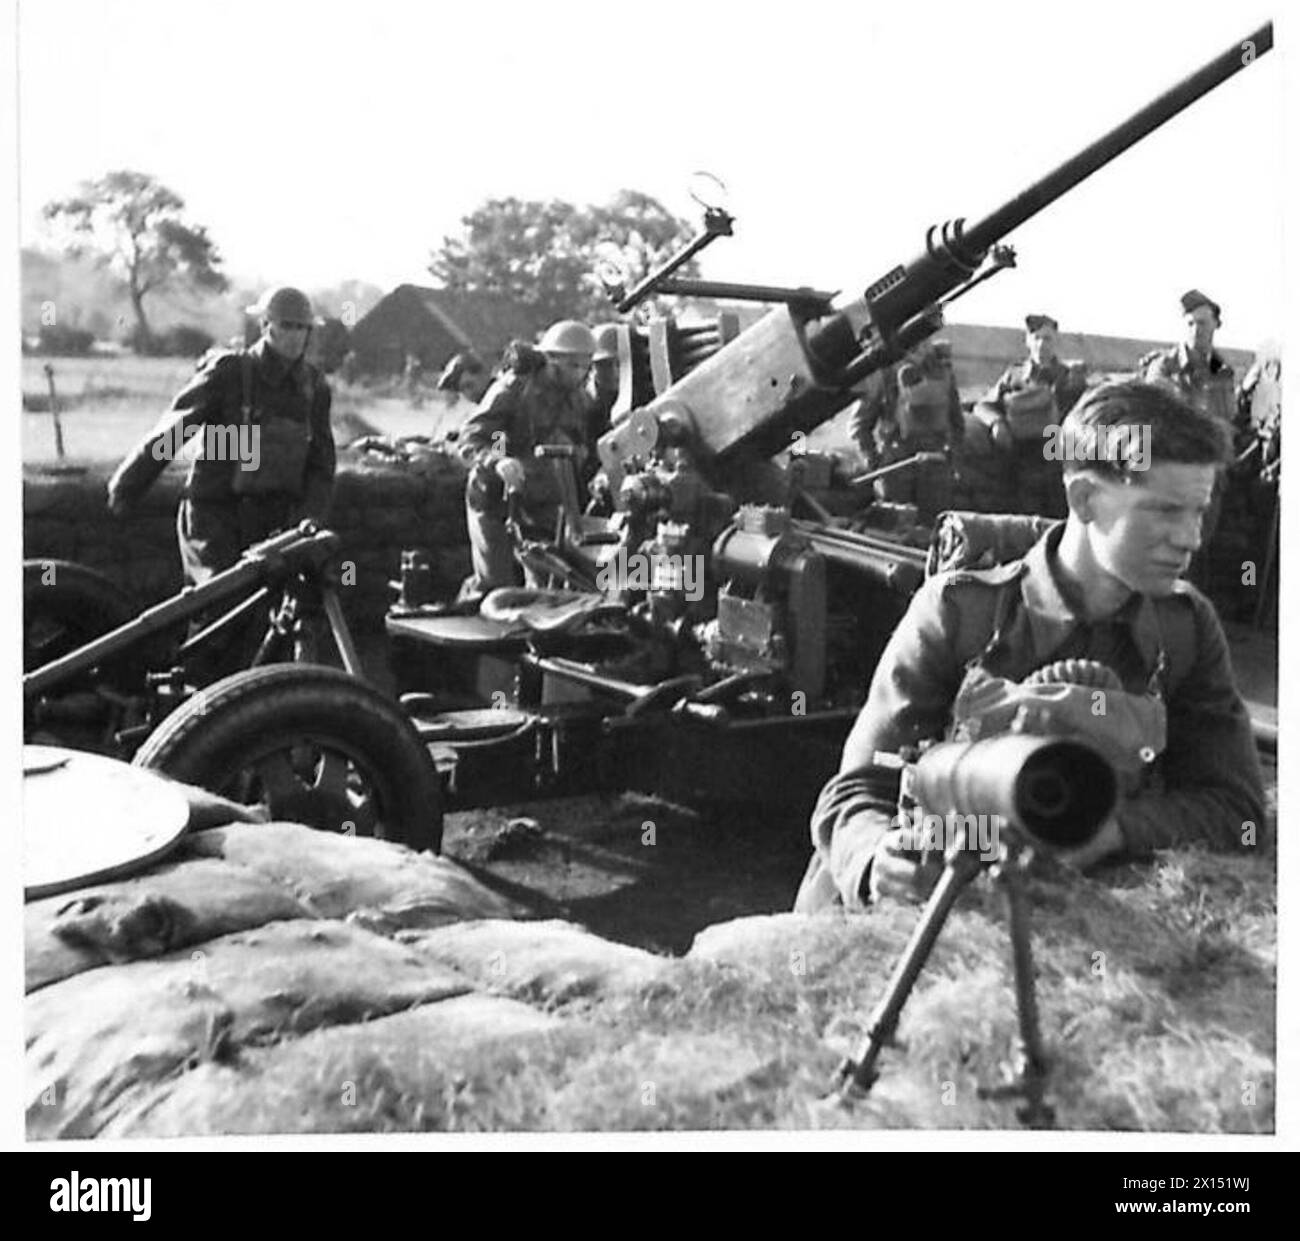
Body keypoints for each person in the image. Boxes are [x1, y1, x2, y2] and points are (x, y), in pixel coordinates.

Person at [795, 379, 1265, 913]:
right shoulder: (960, 614)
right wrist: (877, 862)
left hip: (1068, 921)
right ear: (1084, 499)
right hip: (922, 910)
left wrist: (1111, 832)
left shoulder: (1185, 629)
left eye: (1198, 511)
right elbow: (854, 789)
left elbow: (1237, 808)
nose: (1191, 538)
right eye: (1165, 511)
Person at [107, 286, 336, 588]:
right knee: (217, 604)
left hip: (274, 523)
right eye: (287, 326)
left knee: (272, 613)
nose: (296, 336)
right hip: (213, 516)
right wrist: (127, 486)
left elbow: (321, 464)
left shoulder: (314, 388)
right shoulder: (231, 372)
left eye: (303, 328)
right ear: (266, 326)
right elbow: (175, 431)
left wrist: (309, 518)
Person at [457, 319, 598, 598]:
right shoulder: (513, 390)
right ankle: (470, 616)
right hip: (495, 496)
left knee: (556, 579)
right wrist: (498, 461)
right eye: (573, 365)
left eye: (586, 366)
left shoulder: (579, 399)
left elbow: (586, 444)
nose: (580, 374)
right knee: (495, 585)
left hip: (543, 500)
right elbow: (472, 438)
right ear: (551, 361)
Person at [1141, 290, 1237, 582]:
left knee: (1197, 542)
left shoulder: (1224, 372)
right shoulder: (1165, 367)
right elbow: (1155, 417)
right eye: (1191, 324)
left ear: (1216, 326)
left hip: (1210, 472)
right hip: (1172, 469)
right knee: (1164, 542)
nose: (1197, 330)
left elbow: (1228, 419)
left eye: (1203, 324)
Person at [973, 314, 1088, 518]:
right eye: (1037, 338)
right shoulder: (1015, 375)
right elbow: (983, 405)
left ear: (1056, 342)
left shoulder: (1069, 376)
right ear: (1027, 341)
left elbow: (1086, 412)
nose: (1042, 344)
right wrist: (997, 422)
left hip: (1056, 459)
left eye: (1048, 338)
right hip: (1021, 459)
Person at [850, 339, 964, 522]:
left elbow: (957, 421)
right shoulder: (885, 372)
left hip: (935, 467)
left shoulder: (942, 371)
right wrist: (874, 463)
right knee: (894, 529)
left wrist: (952, 458)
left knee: (934, 530)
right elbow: (859, 426)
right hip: (895, 468)